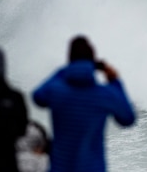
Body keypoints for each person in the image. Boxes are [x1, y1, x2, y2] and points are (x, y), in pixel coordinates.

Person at [32, 35, 136, 172]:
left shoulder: (56, 91)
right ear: (93, 61)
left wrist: (65, 70)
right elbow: (128, 118)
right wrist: (114, 81)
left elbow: (38, 97)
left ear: (70, 59)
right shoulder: (104, 94)